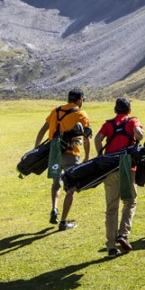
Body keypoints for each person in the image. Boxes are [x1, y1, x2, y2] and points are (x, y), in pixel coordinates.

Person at [94, 97, 144, 257]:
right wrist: (139, 134)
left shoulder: (108, 124)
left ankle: (111, 246)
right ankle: (123, 234)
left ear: (115, 109)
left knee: (111, 207)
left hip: (110, 168)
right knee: (130, 202)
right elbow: (139, 135)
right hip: (127, 168)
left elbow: (97, 139)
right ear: (129, 110)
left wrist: (100, 154)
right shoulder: (132, 121)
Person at [34, 89, 91, 231]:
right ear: (79, 100)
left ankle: (54, 208)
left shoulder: (56, 111)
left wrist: (36, 149)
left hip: (54, 153)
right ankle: (63, 222)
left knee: (56, 184)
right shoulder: (81, 114)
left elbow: (42, 130)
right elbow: (86, 137)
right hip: (71, 153)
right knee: (71, 188)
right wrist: (87, 156)